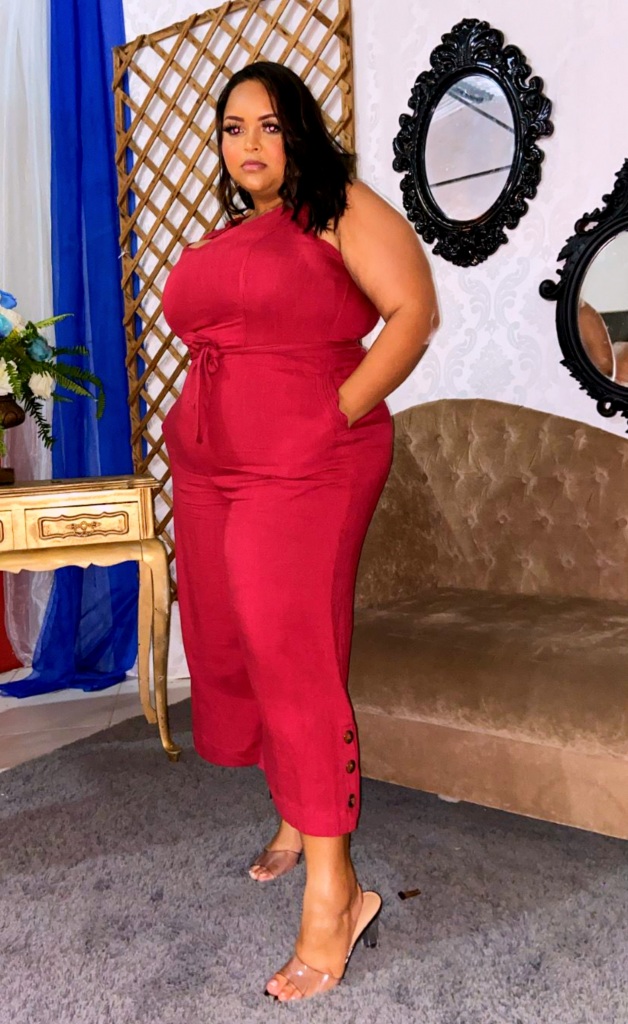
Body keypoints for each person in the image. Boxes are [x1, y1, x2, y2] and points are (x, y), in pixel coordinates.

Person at [161, 60, 439, 1002]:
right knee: (238, 642)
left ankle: (337, 893)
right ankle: (293, 812)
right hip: (212, 465)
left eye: (270, 125)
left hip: (308, 459)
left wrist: (335, 412)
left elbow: (413, 312)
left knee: (293, 653)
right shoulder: (234, 233)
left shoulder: (336, 206)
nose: (248, 143)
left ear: (302, 133)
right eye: (232, 127)